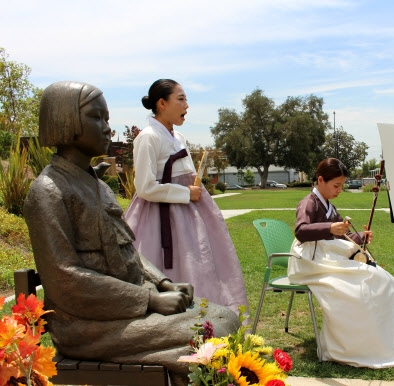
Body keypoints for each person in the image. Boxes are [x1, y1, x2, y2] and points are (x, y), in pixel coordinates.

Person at [23, 81, 239, 386]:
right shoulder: (48, 191)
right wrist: (149, 301)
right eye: (96, 118)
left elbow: (128, 250)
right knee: (211, 330)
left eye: (107, 119)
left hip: (124, 311)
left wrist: (162, 283)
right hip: (89, 325)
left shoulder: (98, 186)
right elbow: (65, 280)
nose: (107, 128)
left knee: (223, 318)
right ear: (66, 122)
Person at [288, 158, 394, 368]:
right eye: (336, 185)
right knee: (365, 281)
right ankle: (348, 346)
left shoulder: (328, 205)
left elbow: (342, 236)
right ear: (320, 180)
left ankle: (383, 339)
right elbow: (301, 231)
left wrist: (360, 237)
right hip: (311, 263)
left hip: (327, 258)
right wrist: (329, 228)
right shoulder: (309, 202)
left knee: (381, 278)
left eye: (341, 186)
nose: (339, 190)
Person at [124, 79, 248, 315]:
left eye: (186, 99)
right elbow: (144, 187)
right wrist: (184, 193)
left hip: (190, 216)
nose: (187, 106)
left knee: (200, 265)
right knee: (164, 266)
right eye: (180, 99)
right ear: (162, 103)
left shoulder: (178, 137)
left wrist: (194, 188)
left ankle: (205, 322)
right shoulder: (148, 137)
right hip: (159, 218)